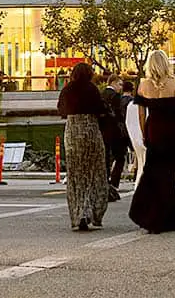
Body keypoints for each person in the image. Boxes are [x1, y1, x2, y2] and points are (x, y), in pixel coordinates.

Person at [128, 50, 175, 234]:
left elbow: (141, 113)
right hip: (171, 132)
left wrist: (144, 133)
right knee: (167, 175)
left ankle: (149, 215)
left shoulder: (143, 86)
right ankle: (169, 219)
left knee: (152, 175)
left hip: (154, 130)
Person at [57, 62, 109, 231]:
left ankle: (78, 213)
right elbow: (101, 109)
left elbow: (61, 111)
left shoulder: (67, 90)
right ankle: (93, 211)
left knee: (75, 174)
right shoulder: (92, 89)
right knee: (95, 172)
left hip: (73, 132)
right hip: (90, 130)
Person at [100, 74, 129, 202]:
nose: (121, 88)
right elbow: (120, 115)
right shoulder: (116, 97)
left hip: (103, 132)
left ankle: (105, 185)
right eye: (119, 84)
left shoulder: (101, 95)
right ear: (113, 82)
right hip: (116, 132)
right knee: (120, 158)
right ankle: (113, 184)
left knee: (105, 159)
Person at [123, 80, 145, 189]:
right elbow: (142, 117)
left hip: (135, 138)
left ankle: (139, 187)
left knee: (141, 164)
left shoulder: (131, 105)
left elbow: (128, 122)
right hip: (145, 137)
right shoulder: (143, 105)